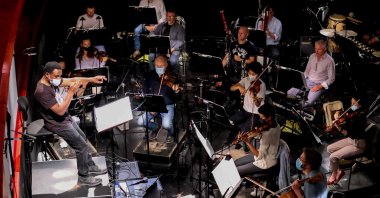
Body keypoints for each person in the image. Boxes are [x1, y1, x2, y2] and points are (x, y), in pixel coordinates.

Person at [34, 61, 107, 186]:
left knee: (83, 139)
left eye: (59, 76)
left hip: (66, 119)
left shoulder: (52, 80)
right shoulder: (42, 91)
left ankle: (90, 165)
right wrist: (70, 92)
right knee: (81, 147)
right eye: (56, 76)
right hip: (58, 124)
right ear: (47, 74)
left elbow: (72, 79)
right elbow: (60, 111)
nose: (59, 79)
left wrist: (91, 79)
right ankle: (83, 177)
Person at [137, 55, 182, 143]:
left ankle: (171, 134)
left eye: (161, 66)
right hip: (154, 104)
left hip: (167, 105)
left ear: (166, 65)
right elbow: (145, 91)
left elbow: (178, 97)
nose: (159, 68)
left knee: (166, 125)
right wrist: (149, 105)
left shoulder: (172, 77)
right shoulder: (150, 75)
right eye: (157, 66)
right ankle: (155, 127)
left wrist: (177, 92)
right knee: (141, 121)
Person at [326, 94, 367, 185]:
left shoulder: (360, 118)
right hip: (350, 140)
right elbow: (347, 116)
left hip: (358, 144)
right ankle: (339, 170)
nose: (351, 105)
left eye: (354, 103)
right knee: (329, 148)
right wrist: (338, 115)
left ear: (360, 105)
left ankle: (334, 174)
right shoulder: (354, 113)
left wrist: (338, 127)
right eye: (351, 102)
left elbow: (349, 133)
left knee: (333, 157)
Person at [234, 103, 281, 176]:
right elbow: (262, 134)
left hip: (265, 162)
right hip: (268, 156)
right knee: (235, 163)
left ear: (269, 118)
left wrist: (247, 142)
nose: (260, 119)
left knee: (236, 170)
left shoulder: (267, 134)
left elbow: (259, 155)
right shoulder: (277, 125)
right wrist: (254, 134)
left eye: (262, 117)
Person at [228, 62, 266, 138]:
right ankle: (230, 139)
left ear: (258, 74)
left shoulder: (261, 85)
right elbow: (231, 88)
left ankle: (238, 143)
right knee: (229, 122)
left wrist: (254, 98)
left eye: (253, 74)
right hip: (244, 111)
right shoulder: (246, 79)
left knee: (243, 132)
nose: (251, 75)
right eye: (249, 72)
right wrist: (239, 87)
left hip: (255, 114)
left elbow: (258, 104)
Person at [302, 39, 335, 107]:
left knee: (306, 103)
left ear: (325, 49)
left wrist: (319, 86)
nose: (316, 51)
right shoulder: (312, 56)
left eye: (319, 49)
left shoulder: (330, 61)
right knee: (292, 95)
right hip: (308, 81)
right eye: (315, 48)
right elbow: (306, 71)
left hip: (319, 85)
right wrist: (303, 80)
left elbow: (331, 79)